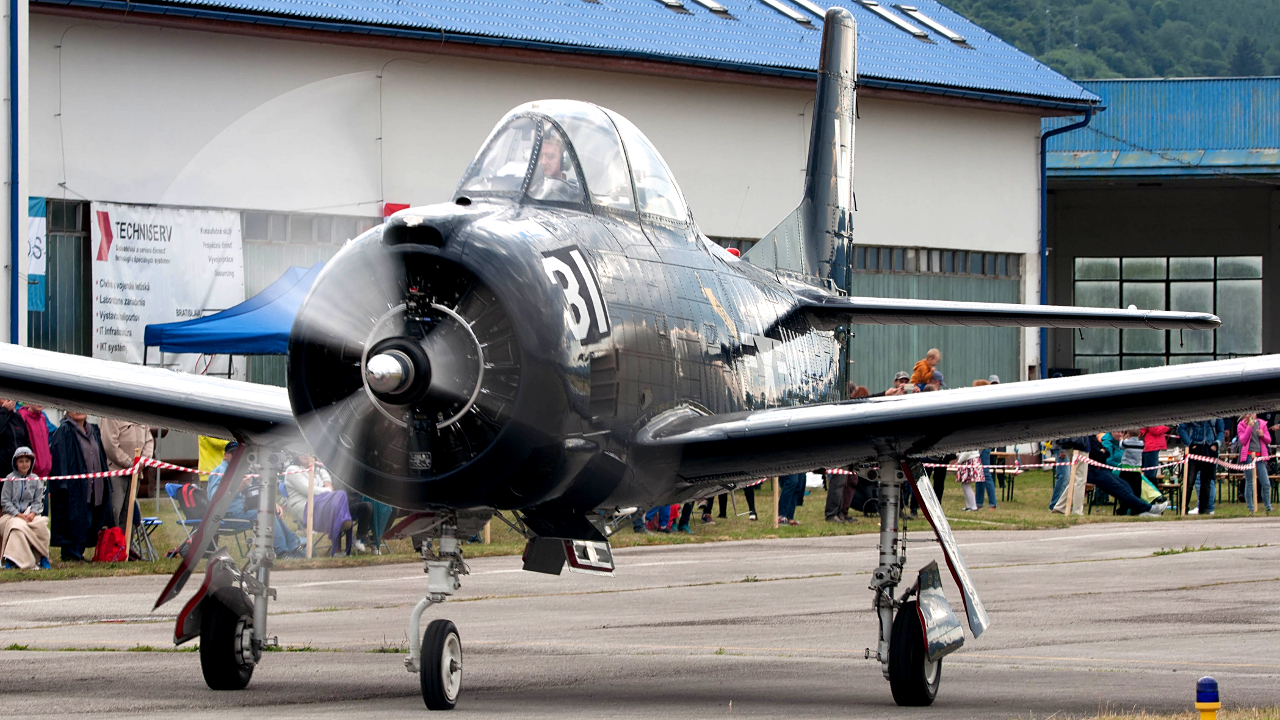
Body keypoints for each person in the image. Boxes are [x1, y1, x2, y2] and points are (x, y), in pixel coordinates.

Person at [208, 443, 303, 558]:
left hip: (241, 512)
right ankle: (281, 553)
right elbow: (215, 499)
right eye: (236, 454)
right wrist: (238, 488)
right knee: (265, 516)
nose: (240, 458)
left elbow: (256, 491)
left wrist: (271, 503)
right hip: (225, 516)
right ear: (226, 455)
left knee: (272, 512)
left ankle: (294, 549)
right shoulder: (220, 472)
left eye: (242, 455)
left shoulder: (241, 471)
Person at [48, 411, 114, 561]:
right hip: (74, 487)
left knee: (89, 519)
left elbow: (101, 457)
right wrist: (62, 484)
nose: (78, 411)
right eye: (74, 408)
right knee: (75, 519)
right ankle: (71, 553)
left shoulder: (94, 431)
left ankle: (79, 551)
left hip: (93, 486)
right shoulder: (64, 431)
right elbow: (59, 458)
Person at [283, 454, 368, 554]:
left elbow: (327, 481)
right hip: (305, 507)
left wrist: (325, 481)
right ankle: (342, 529)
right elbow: (309, 490)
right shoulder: (292, 469)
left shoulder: (318, 469)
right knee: (340, 496)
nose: (305, 455)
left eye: (308, 452)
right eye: (302, 452)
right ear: (296, 455)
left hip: (321, 504)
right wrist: (327, 490)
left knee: (340, 500)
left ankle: (338, 546)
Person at [1087, 434, 1166, 517]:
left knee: (1127, 485)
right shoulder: (1099, 440)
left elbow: (1106, 453)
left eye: (1121, 432)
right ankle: (1147, 508)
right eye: (1117, 431)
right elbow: (1104, 458)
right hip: (1100, 471)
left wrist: (1103, 452)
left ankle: (1140, 509)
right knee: (1121, 488)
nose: (1120, 434)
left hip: (1109, 470)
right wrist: (1106, 455)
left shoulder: (1094, 438)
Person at [98, 417, 155, 527]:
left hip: (135, 473)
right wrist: (129, 463)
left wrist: (143, 461)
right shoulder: (110, 413)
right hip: (116, 473)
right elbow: (109, 444)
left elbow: (149, 440)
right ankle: (114, 538)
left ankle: (127, 538)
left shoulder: (140, 413)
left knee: (130, 516)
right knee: (114, 514)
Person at [0, 447, 51, 569]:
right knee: (17, 527)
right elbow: (5, 501)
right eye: (21, 461)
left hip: (30, 516)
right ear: (15, 463)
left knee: (42, 525)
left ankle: (43, 557)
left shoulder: (35, 479)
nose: (24, 464)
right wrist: (18, 514)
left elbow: (38, 501)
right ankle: (13, 559)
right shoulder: (9, 479)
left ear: (31, 463)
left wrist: (33, 513)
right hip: (11, 516)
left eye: (27, 461)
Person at [1178, 418, 1225, 516]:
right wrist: (1190, 444)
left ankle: (1204, 509)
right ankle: (1183, 508)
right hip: (1194, 446)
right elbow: (1181, 429)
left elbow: (1221, 430)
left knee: (1206, 482)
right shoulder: (1192, 411)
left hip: (1209, 447)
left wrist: (1216, 444)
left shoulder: (1216, 413)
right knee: (1189, 481)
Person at [1237, 414, 1272, 514]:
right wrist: (1249, 427)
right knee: (1250, 483)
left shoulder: (1262, 423)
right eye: (1248, 413)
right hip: (1248, 456)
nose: (1251, 415)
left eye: (1252, 413)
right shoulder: (1241, 425)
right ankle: (1251, 508)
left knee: (1265, 483)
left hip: (1259, 457)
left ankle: (1268, 506)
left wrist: (1262, 435)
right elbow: (1243, 440)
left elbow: (1268, 440)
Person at [16, 403, 52, 478]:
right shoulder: (22, 417)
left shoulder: (42, 418)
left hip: (45, 471)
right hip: (31, 472)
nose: (39, 402)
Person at [0, 399, 30, 478]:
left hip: (18, 470)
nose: (8, 400)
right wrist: (4, 410)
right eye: (4, 398)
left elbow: (26, 440)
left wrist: (27, 459)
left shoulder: (17, 417)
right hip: (2, 471)